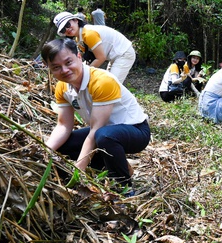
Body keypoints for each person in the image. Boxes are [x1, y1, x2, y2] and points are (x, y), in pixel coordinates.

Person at [41, 38, 150, 189]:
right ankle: (112, 166)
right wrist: (44, 152)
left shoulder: (102, 81)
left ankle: (123, 186)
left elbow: (96, 130)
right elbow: (63, 125)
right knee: (63, 145)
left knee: (104, 136)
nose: (64, 70)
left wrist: (78, 170)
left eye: (68, 63)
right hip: (103, 132)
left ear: (79, 57)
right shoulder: (62, 87)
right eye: (56, 67)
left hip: (136, 131)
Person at [53, 11, 135, 83]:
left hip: (123, 53)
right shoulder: (79, 39)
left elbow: (100, 58)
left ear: (76, 20)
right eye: (63, 29)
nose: (67, 29)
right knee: (109, 83)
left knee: (112, 84)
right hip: (115, 55)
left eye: (68, 24)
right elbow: (84, 57)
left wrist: (84, 74)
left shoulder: (88, 34)